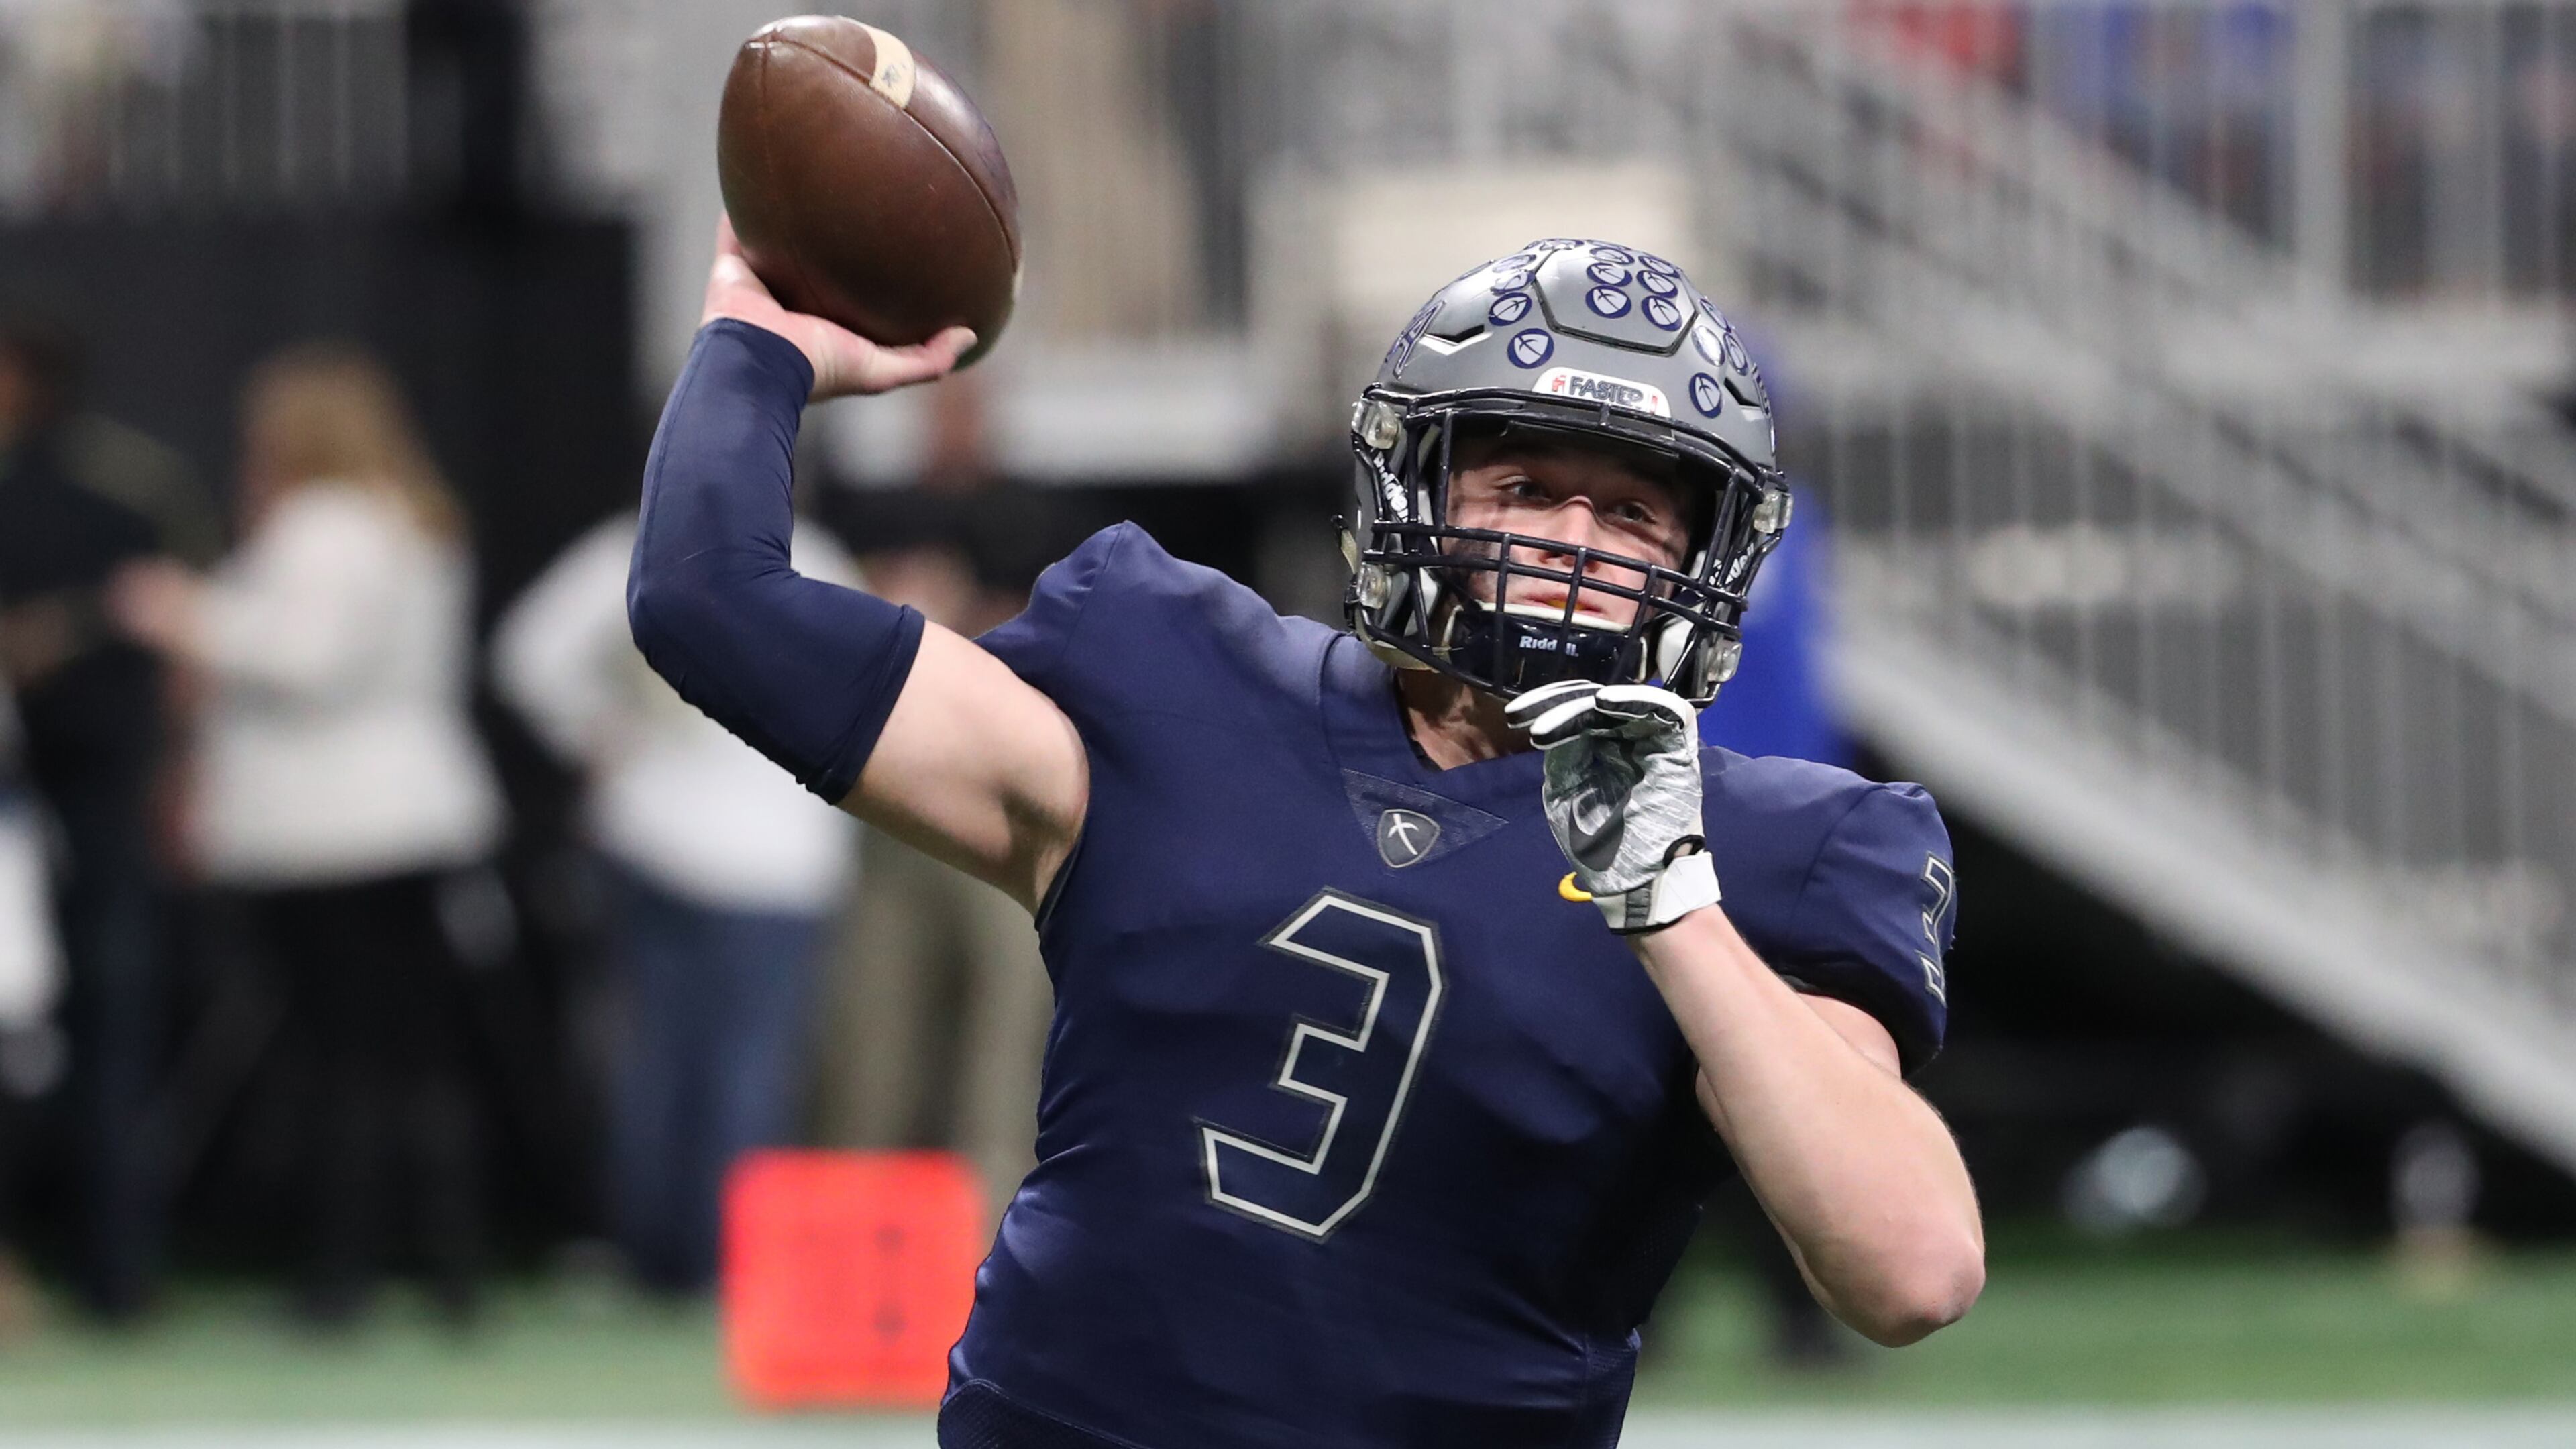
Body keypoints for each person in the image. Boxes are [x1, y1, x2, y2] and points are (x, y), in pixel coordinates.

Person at [628, 223, 1982, 1447]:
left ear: (1704, 560)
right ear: (1419, 495)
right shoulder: (1173, 675)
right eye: (1524, 486)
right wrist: (757, 348)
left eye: (1631, 512)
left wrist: (1672, 905)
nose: (1573, 543)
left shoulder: (1776, 847)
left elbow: (1913, 1272)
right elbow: (712, 605)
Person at [110, 344, 506, 1326]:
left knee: (342, 1060)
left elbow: (309, 660)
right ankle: (450, 1267)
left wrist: (184, 614)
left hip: (335, 833)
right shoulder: (411, 518)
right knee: (413, 1054)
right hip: (409, 818)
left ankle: (343, 1276)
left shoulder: (328, 526)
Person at [493, 511, 861, 1295]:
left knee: (652, 1059)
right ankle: (729, 1267)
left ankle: (650, 1256)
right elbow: (874, 694)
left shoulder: (641, 545)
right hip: (773, 859)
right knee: (745, 1066)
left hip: (661, 837)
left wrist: (601, 733)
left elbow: (529, 654)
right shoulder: (815, 557)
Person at [0, 319, 184, 1322]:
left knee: (108, 1036)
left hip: (97, 798)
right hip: (18, 808)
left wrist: (175, 775)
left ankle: (115, 1271)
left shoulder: (126, 486)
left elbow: (181, 629)